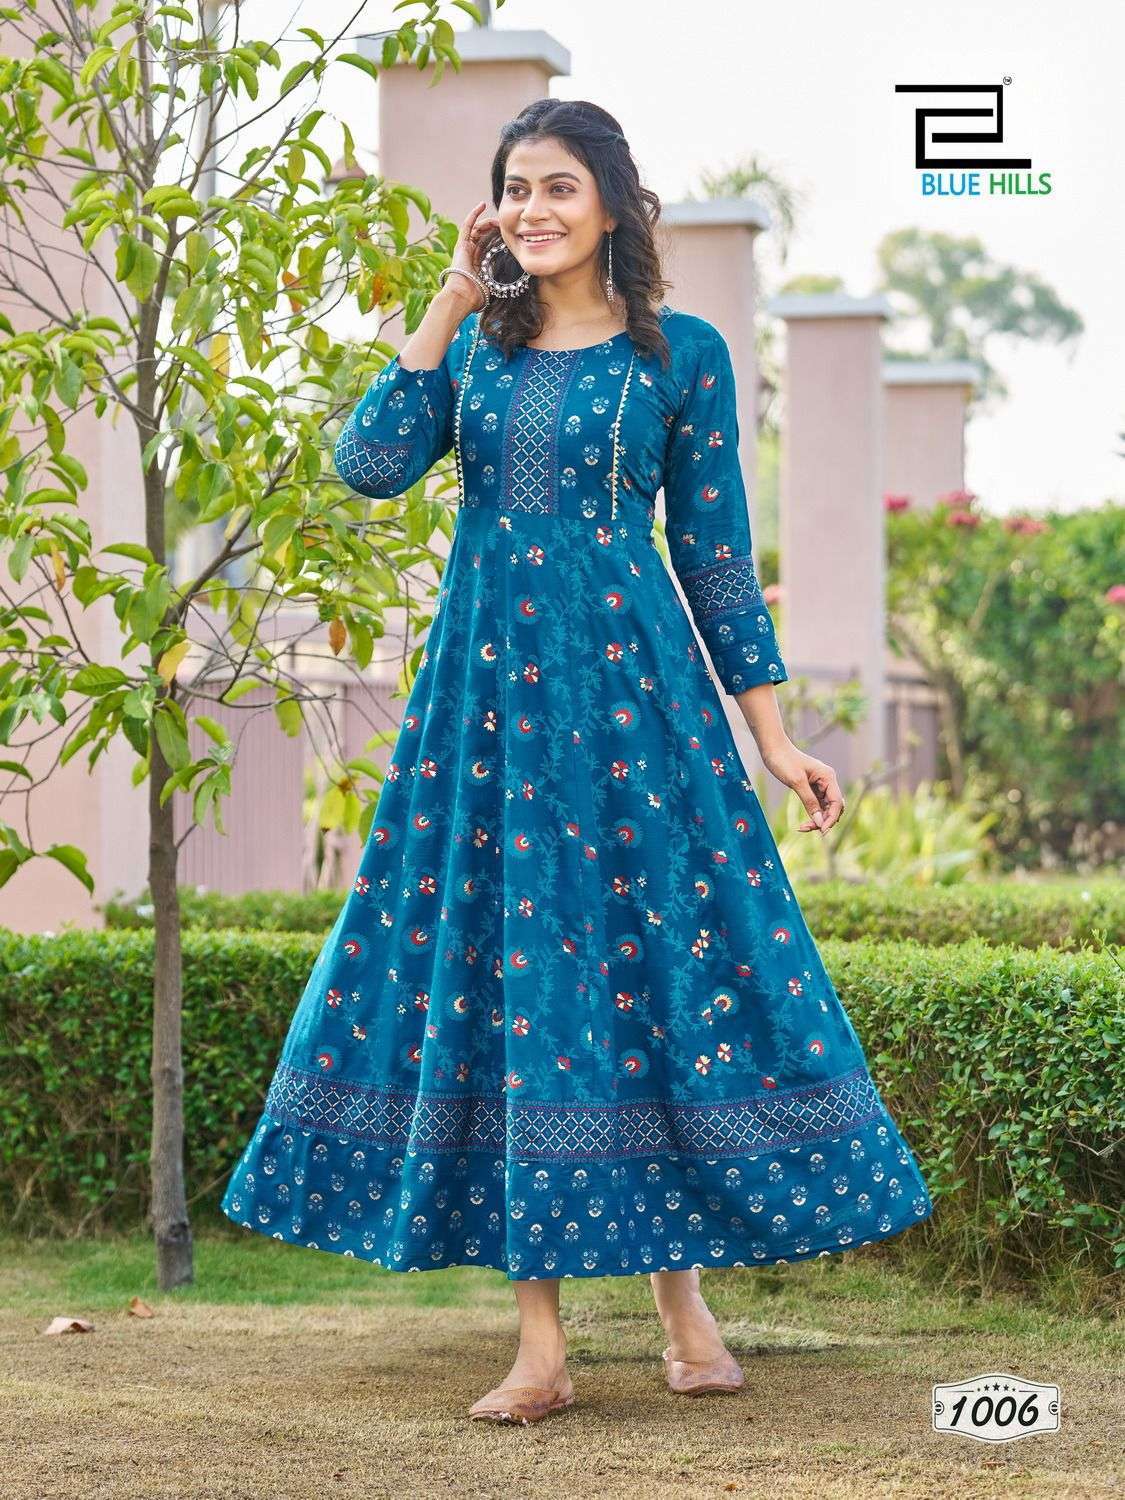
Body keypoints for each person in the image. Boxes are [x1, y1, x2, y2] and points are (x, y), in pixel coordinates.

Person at [220, 98, 933, 1426]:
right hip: (487, 710)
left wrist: (773, 735)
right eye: (514, 188)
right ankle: (539, 1348)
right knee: (513, 983)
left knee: (655, 968)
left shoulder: (681, 354)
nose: (533, 209)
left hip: (633, 708)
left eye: (558, 186)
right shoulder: (476, 352)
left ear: (610, 202)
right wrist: (450, 296)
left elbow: (714, 553)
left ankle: (683, 1306)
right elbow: (367, 464)